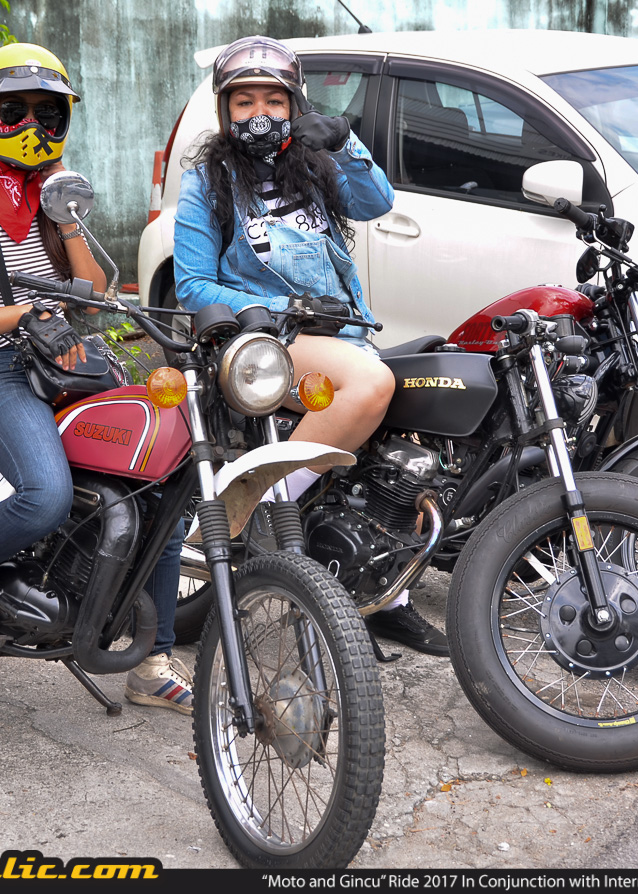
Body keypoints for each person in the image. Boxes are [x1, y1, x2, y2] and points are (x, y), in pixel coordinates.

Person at [0, 43, 192, 713]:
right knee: (45, 496)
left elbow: (93, 296)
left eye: (49, 114)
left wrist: (65, 216)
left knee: (161, 490)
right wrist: (19, 313)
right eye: (15, 113)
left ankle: (150, 661)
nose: (34, 127)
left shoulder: (55, 200)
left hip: (68, 362)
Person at [172, 35, 447, 656]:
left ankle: (385, 596)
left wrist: (345, 142)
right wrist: (271, 309)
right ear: (225, 110)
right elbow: (191, 283)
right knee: (371, 385)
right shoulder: (206, 183)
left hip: (344, 332)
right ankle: (265, 504)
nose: (260, 114)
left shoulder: (314, 166)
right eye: (245, 101)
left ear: (295, 105)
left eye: (274, 100)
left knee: (407, 449)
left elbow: (378, 202)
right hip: (264, 342)